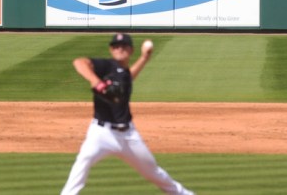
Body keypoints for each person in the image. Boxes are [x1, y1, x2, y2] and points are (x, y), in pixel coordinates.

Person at [60, 33, 194, 195]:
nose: (119, 49)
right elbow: (79, 62)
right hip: (101, 133)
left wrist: (145, 58)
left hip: (129, 136)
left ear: (131, 50)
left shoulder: (123, 72)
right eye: (116, 46)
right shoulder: (106, 66)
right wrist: (98, 83)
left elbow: (128, 78)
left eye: (124, 46)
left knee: (153, 173)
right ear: (111, 49)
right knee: (81, 165)